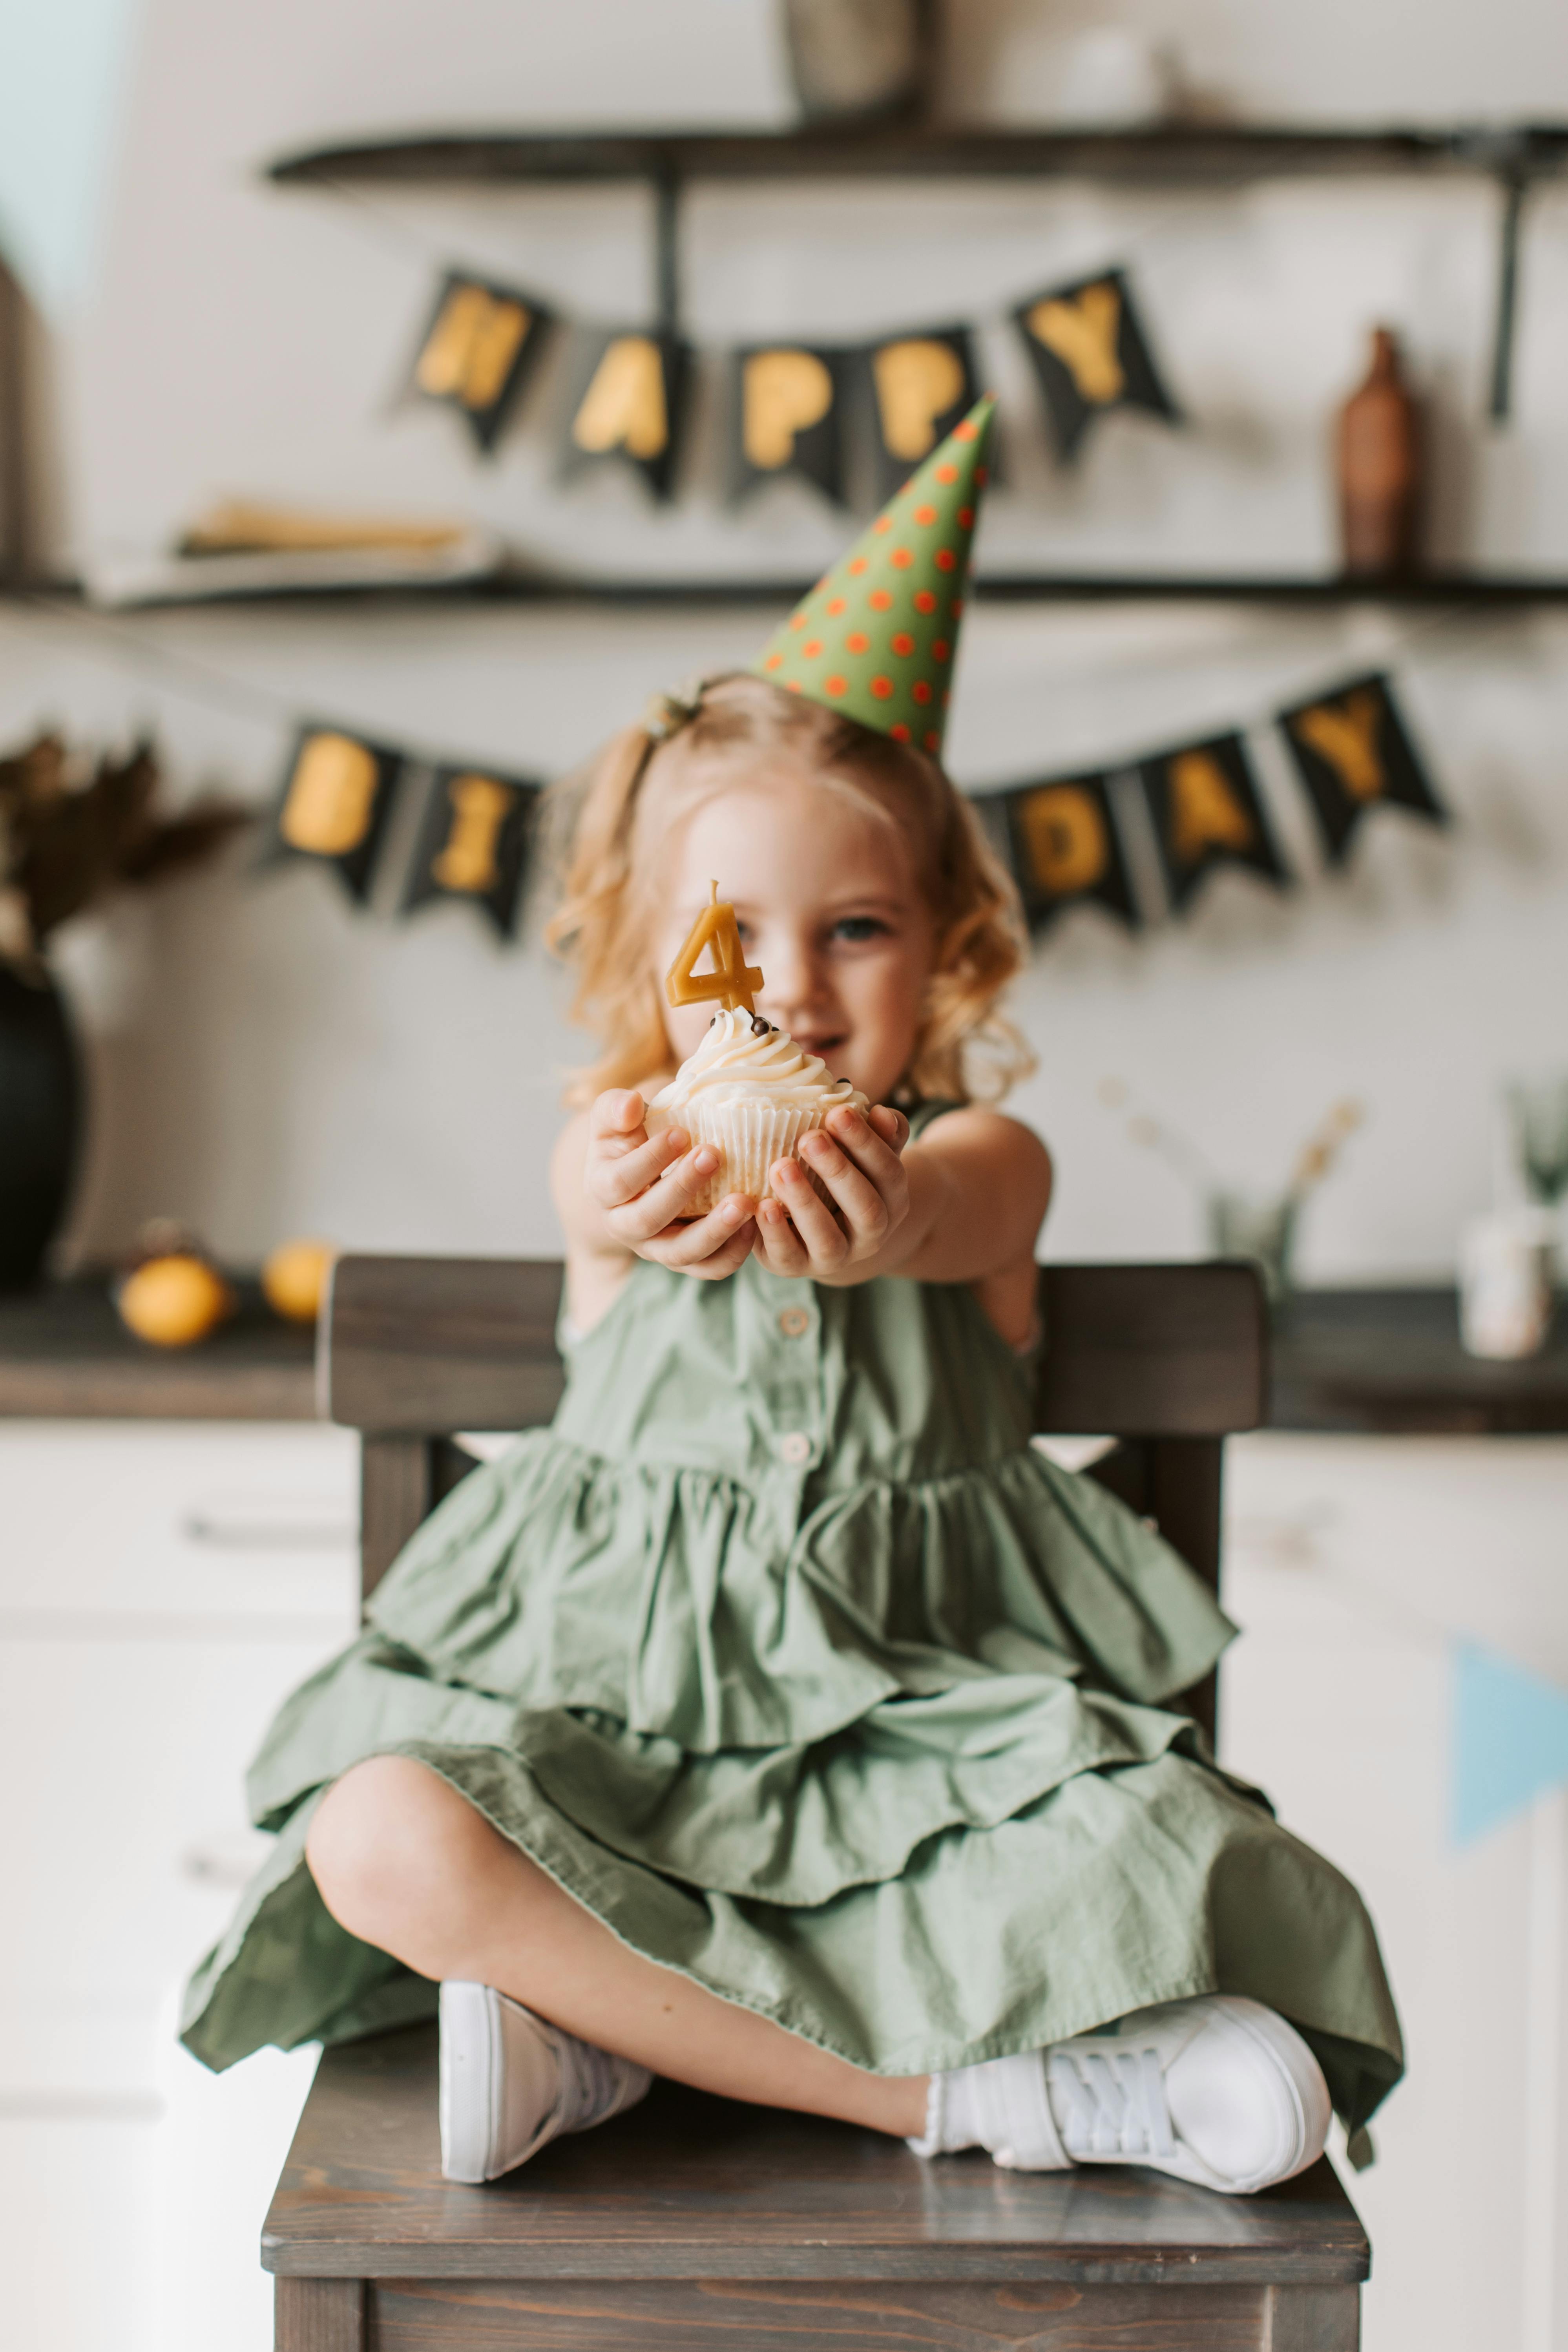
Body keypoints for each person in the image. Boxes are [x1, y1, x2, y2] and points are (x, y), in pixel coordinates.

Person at [181, 402, 1402, 2195]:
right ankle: (968, 2099)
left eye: (859, 928)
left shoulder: (979, 1159)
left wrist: (887, 1212)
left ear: (945, 944)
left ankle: (594, 2033)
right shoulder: (621, 1154)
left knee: (1160, 1845)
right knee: (382, 1836)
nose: (799, 988)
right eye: (732, 936)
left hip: (925, 1755)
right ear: (650, 956)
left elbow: (965, 1207)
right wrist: (635, 1186)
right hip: (612, 1756)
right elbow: (588, 1186)